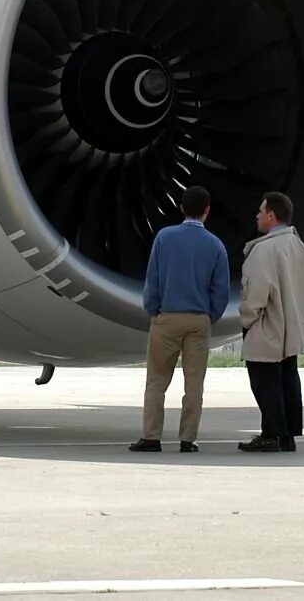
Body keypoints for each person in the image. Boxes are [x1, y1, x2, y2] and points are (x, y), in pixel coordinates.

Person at [130, 186, 230, 453]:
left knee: (157, 381)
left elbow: (153, 281)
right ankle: (188, 439)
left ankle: (151, 436)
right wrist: (210, 316)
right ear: (207, 211)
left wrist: (155, 311)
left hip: (167, 318)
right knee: (194, 384)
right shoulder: (215, 245)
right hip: (198, 321)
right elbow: (221, 291)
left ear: (181, 207)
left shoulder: (164, 238)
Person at [237, 192, 304, 453]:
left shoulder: (264, 250)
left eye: (261, 211)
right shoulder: (300, 249)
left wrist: (247, 320)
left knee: (264, 382)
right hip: (293, 329)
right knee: (288, 380)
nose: (257, 215)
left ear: (271, 216)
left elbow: (256, 294)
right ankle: (287, 436)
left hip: (267, 328)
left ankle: (271, 434)